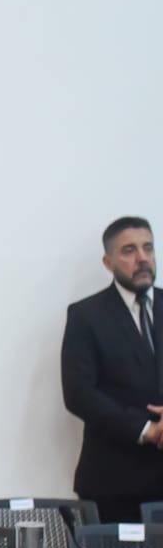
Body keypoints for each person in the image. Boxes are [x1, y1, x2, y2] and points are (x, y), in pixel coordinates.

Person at [61, 215, 163, 522]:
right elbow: (79, 393)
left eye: (148, 247)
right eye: (129, 250)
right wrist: (147, 430)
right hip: (114, 483)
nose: (142, 258)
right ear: (108, 262)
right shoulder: (86, 315)